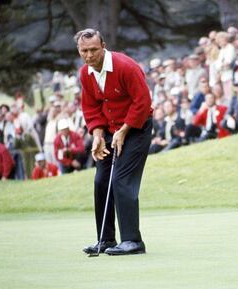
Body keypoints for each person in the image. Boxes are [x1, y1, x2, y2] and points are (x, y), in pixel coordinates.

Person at [75, 28, 152, 255]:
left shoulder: (125, 66)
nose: (89, 56)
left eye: (93, 50)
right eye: (84, 51)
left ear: (103, 46)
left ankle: (133, 241)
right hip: (109, 130)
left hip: (137, 128)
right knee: (101, 181)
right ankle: (106, 239)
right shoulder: (85, 74)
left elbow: (143, 101)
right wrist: (98, 135)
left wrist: (125, 129)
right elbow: (91, 107)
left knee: (121, 179)